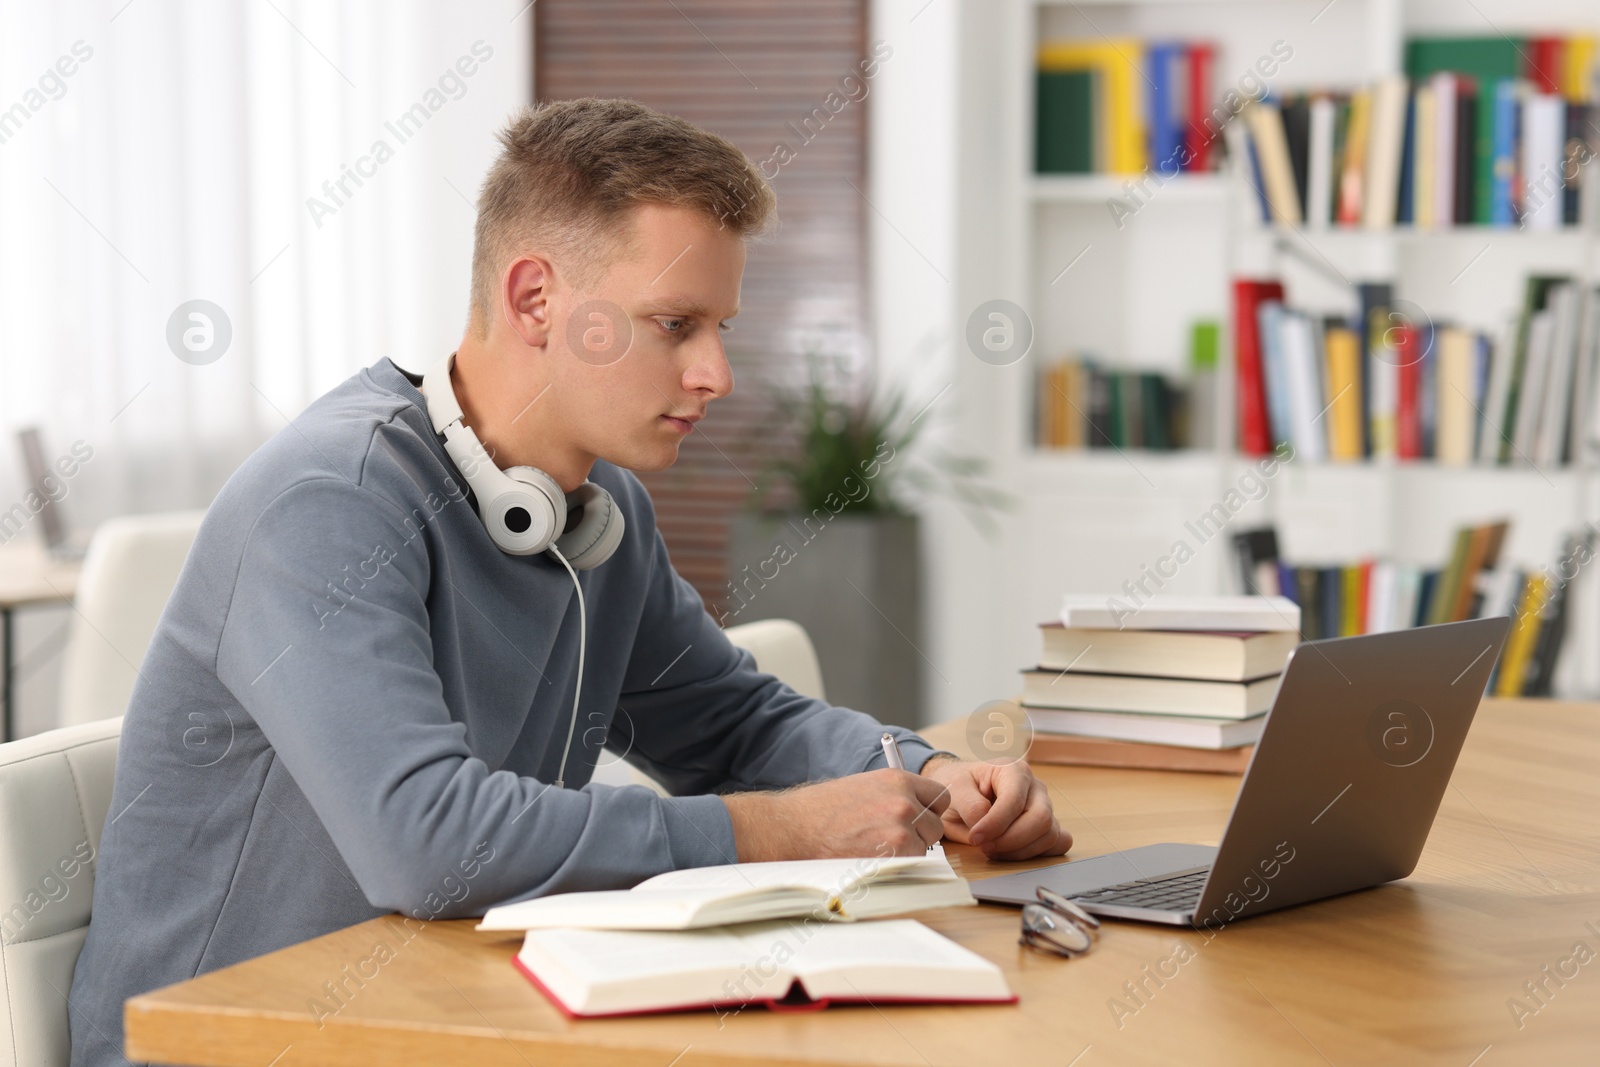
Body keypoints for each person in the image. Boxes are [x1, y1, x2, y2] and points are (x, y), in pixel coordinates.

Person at [68, 97, 1071, 1065]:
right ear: (536, 299)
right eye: (676, 324)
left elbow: (732, 723)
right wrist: (777, 829)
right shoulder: (331, 499)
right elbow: (428, 840)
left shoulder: (595, 514)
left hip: (441, 1012)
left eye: (718, 325)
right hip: (233, 1042)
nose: (716, 372)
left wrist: (924, 772)